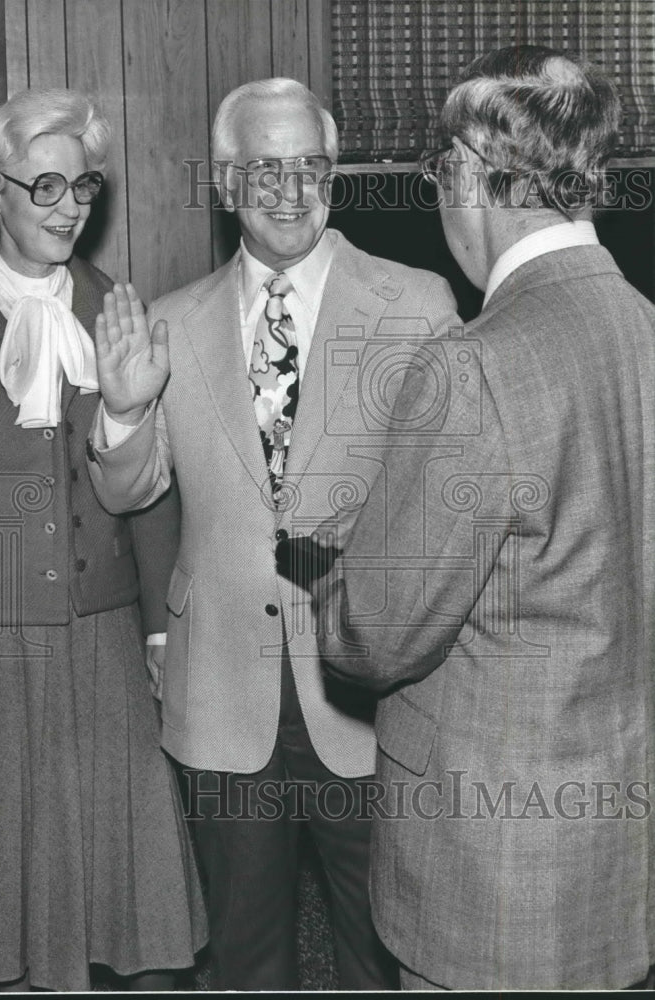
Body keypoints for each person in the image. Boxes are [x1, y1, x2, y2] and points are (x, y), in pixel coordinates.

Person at [86, 78, 458, 989]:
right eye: (264, 169)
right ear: (223, 183)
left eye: (310, 168)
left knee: (385, 956)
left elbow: (447, 505)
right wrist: (125, 415)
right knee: (246, 961)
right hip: (221, 693)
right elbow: (133, 494)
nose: (290, 192)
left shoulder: (418, 305)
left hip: (369, 693)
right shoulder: (171, 321)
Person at [314, 45, 655, 990]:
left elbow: (375, 638)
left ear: (468, 173)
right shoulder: (647, 332)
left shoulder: (473, 367)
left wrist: (332, 579)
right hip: (623, 860)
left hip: (492, 879)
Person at [0, 88, 206, 993]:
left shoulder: (115, 310)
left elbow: (150, 496)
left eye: (83, 185)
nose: (69, 205)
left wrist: (157, 629)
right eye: (44, 185)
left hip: (102, 638)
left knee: (117, 895)